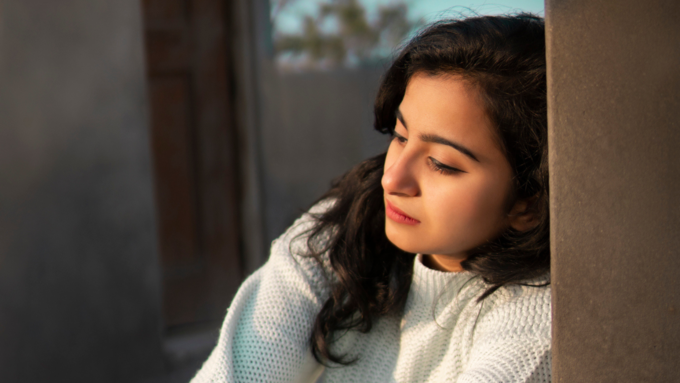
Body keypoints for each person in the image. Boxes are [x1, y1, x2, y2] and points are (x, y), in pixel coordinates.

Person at [192, 13, 551, 383]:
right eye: (400, 136)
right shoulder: (342, 230)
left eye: (442, 164)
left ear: (529, 205)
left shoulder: (536, 318)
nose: (393, 178)